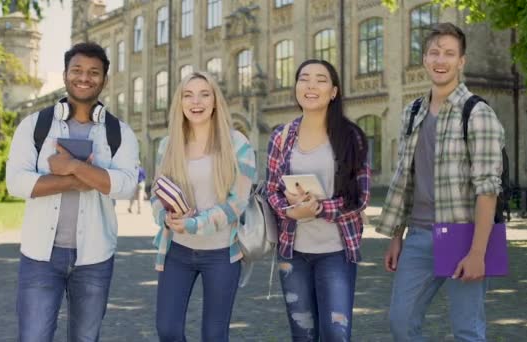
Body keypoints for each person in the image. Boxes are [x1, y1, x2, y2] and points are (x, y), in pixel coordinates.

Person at [376, 23, 505, 341]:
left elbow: (488, 189)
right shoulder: (412, 112)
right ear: (424, 59)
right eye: (434, 52)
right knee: (401, 323)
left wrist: (478, 252)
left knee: (466, 330)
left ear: (461, 61)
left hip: (463, 234)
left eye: (449, 53)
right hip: (419, 235)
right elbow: (405, 177)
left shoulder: (478, 113)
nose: (441, 59)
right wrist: (396, 235)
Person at [6, 42, 139, 342]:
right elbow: (17, 182)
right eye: (77, 70)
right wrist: (82, 178)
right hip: (40, 256)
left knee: (85, 339)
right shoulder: (35, 125)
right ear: (65, 74)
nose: (84, 77)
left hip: (94, 257)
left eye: (94, 72)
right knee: (33, 337)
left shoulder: (120, 133)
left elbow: (126, 186)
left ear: (105, 80)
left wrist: (69, 166)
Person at [266, 59, 371, 341]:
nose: (311, 85)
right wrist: (291, 211)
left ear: (334, 91)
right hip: (293, 253)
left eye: (321, 79)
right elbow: (271, 190)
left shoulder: (352, 138)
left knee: (336, 335)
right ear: (297, 87)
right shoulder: (281, 136)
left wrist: (319, 208)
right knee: (302, 335)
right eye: (304, 78)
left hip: (336, 252)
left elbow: (360, 198)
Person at [150, 72, 256, 341]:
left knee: (214, 335)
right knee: (168, 330)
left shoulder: (238, 145)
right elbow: (155, 194)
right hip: (177, 251)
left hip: (221, 254)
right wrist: (165, 217)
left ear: (215, 101)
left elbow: (237, 203)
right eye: (188, 95)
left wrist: (195, 224)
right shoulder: (168, 145)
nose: (196, 101)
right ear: (180, 102)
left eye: (204, 94)